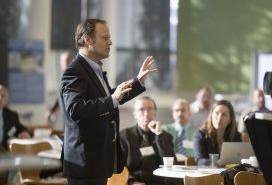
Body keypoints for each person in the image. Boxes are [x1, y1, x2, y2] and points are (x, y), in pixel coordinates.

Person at [59, 19, 157, 185]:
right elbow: (75, 108)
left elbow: (110, 97)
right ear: (87, 40)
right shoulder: (74, 71)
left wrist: (138, 81)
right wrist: (112, 99)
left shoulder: (93, 68)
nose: (110, 42)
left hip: (97, 162)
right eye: (105, 38)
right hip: (85, 163)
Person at [120, 96, 180, 185]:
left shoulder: (165, 137)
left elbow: (171, 163)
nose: (146, 114)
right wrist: (130, 181)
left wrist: (159, 135)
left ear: (155, 113)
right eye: (141, 109)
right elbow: (119, 168)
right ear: (135, 114)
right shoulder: (124, 136)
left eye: (150, 109)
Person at [193, 100, 241, 166]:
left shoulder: (236, 136)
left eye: (224, 115)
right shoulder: (201, 135)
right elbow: (199, 161)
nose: (219, 118)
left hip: (230, 174)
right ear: (211, 116)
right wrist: (217, 163)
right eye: (217, 113)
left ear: (230, 119)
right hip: (208, 175)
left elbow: (240, 160)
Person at [45, 51, 73, 131]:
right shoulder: (63, 77)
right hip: (65, 118)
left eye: (68, 61)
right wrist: (51, 111)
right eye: (64, 61)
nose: (65, 63)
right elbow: (60, 96)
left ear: (72, 61)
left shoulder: (75, 76)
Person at [0, 84, 30, 149]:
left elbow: (20, 129)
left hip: (5, 153)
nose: (0, 98)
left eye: (3, 96)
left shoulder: (12, 115)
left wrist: (24, 132)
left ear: (6, 98)